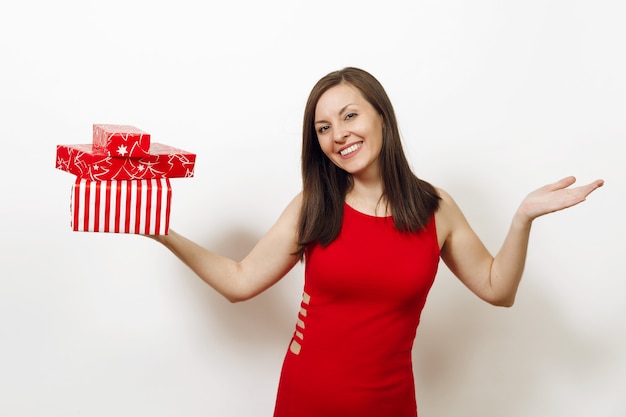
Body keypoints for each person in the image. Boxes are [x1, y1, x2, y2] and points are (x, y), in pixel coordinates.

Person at [149, 67, 604, 417]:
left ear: (381, 116)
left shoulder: (434, 207)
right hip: (307, 400)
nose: (338, 133)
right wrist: (161, 231)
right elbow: (240, 280)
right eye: (323, 127)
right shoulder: (313, 204)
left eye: (349, 115)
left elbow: (496, 288)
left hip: (389, 406)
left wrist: (522, 218)